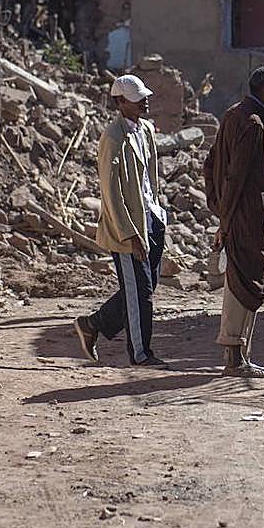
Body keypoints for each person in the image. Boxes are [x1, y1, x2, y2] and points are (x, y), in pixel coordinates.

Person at [74, 74, 167, 367]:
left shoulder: (146, 130)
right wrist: (129, 233)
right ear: (119, 102)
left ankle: (92, 325)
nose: (144, 103)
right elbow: (111, 192)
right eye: (137, 99)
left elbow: (149, 178)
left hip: (151, 218)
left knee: (145, 286)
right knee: (140, 295)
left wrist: (158, 214)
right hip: (127, 229)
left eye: (144, 98)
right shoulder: (112, 138)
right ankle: (141, 353)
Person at [204, 66, 264, 378]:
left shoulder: (234, 115)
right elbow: (235, 175)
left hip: (242, 217)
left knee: (242, 282)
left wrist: (218, 207)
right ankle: (235, 359)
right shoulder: (252, 124)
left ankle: (239, 356)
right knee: (243, 285)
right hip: (247, 220)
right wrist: (225, 219)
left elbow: (210, 164)